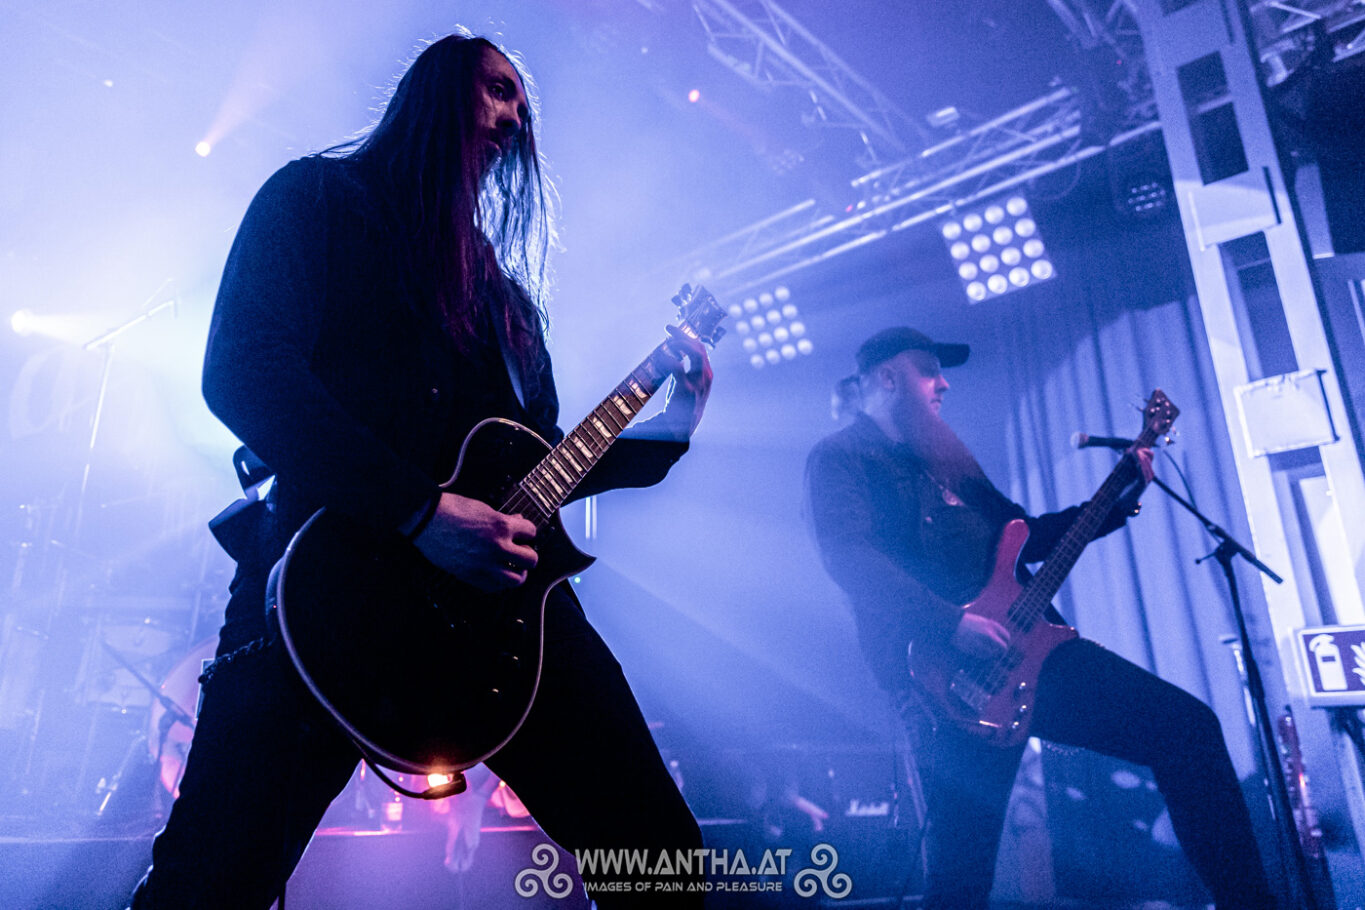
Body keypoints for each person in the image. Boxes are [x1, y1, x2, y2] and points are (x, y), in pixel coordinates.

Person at [129, 32, 710, 909]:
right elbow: (245, 370)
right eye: (497, 89)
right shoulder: (317, 201)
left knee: (659, 860)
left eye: (523, 105)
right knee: (209, 886)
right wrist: (420, 514)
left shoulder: (507, 301)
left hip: (503, 625)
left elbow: (544, 462)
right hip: (322, 592)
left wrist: (674, 426)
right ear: (433, 91)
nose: (514, 116)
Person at [805, 327, 1275, 909]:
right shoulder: (841, 457)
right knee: (961, 879)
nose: (944, 384)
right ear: (887, 377)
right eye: (929, 370)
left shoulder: (949, 461)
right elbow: (848, 557)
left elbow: (1025, 535)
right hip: (945, 681)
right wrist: (950, 625)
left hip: (1032, 654)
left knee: (1187, 729)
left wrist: (1120, 495)